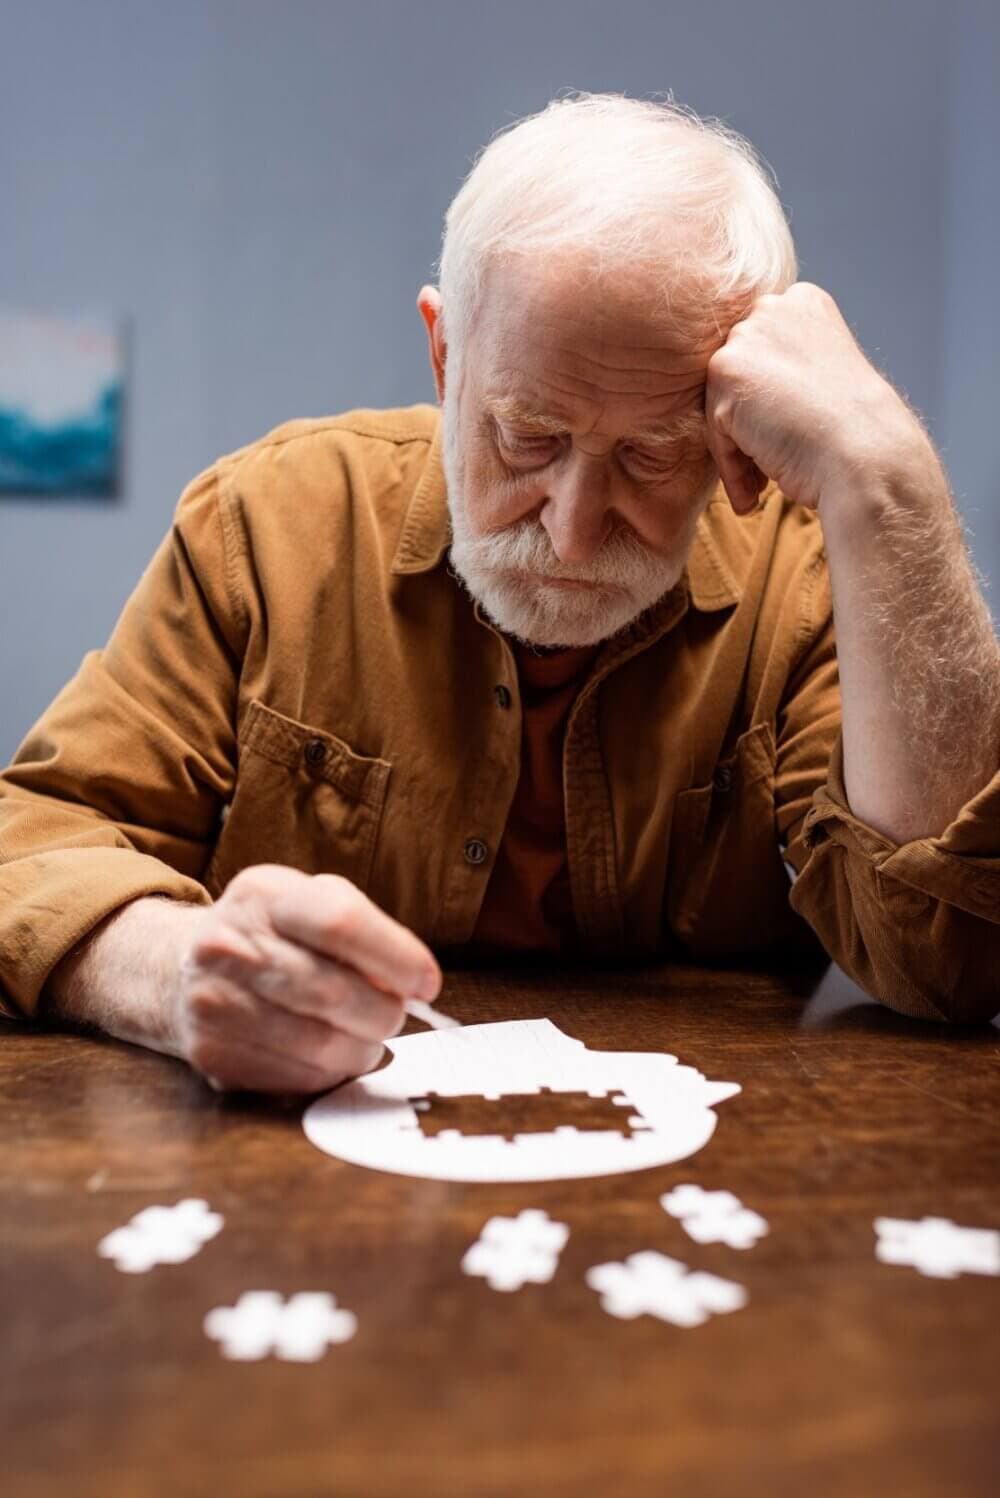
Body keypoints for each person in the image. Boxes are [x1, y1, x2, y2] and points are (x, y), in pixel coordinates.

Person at [1, 93, 997, 1093]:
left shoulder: (807, 570)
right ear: (445, 356)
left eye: (654, 454)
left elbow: (946, 961)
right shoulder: (262, 525)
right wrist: (175, 973)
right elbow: (30, 846)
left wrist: (886, 480)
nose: (572, 526)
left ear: (733, 428)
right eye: (528, 433)